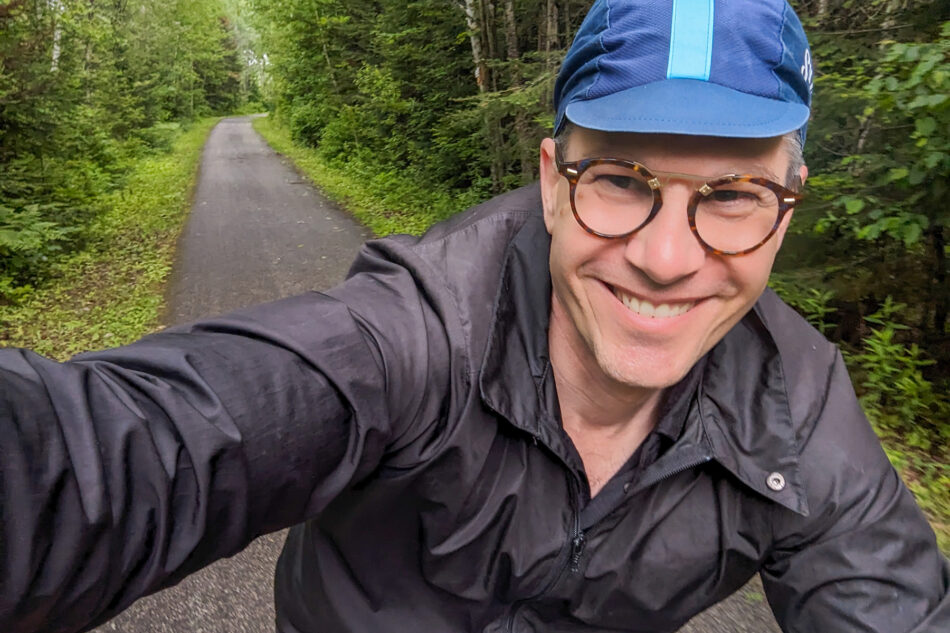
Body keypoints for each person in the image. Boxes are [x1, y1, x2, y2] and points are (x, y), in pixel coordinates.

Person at [1, 1, 948, 632]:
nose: (667, 259)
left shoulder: (803, 406)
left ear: (790, 202)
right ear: (549, 178)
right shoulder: (418, 327)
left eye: (734, 194)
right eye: (620, 179)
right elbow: (131, 452)